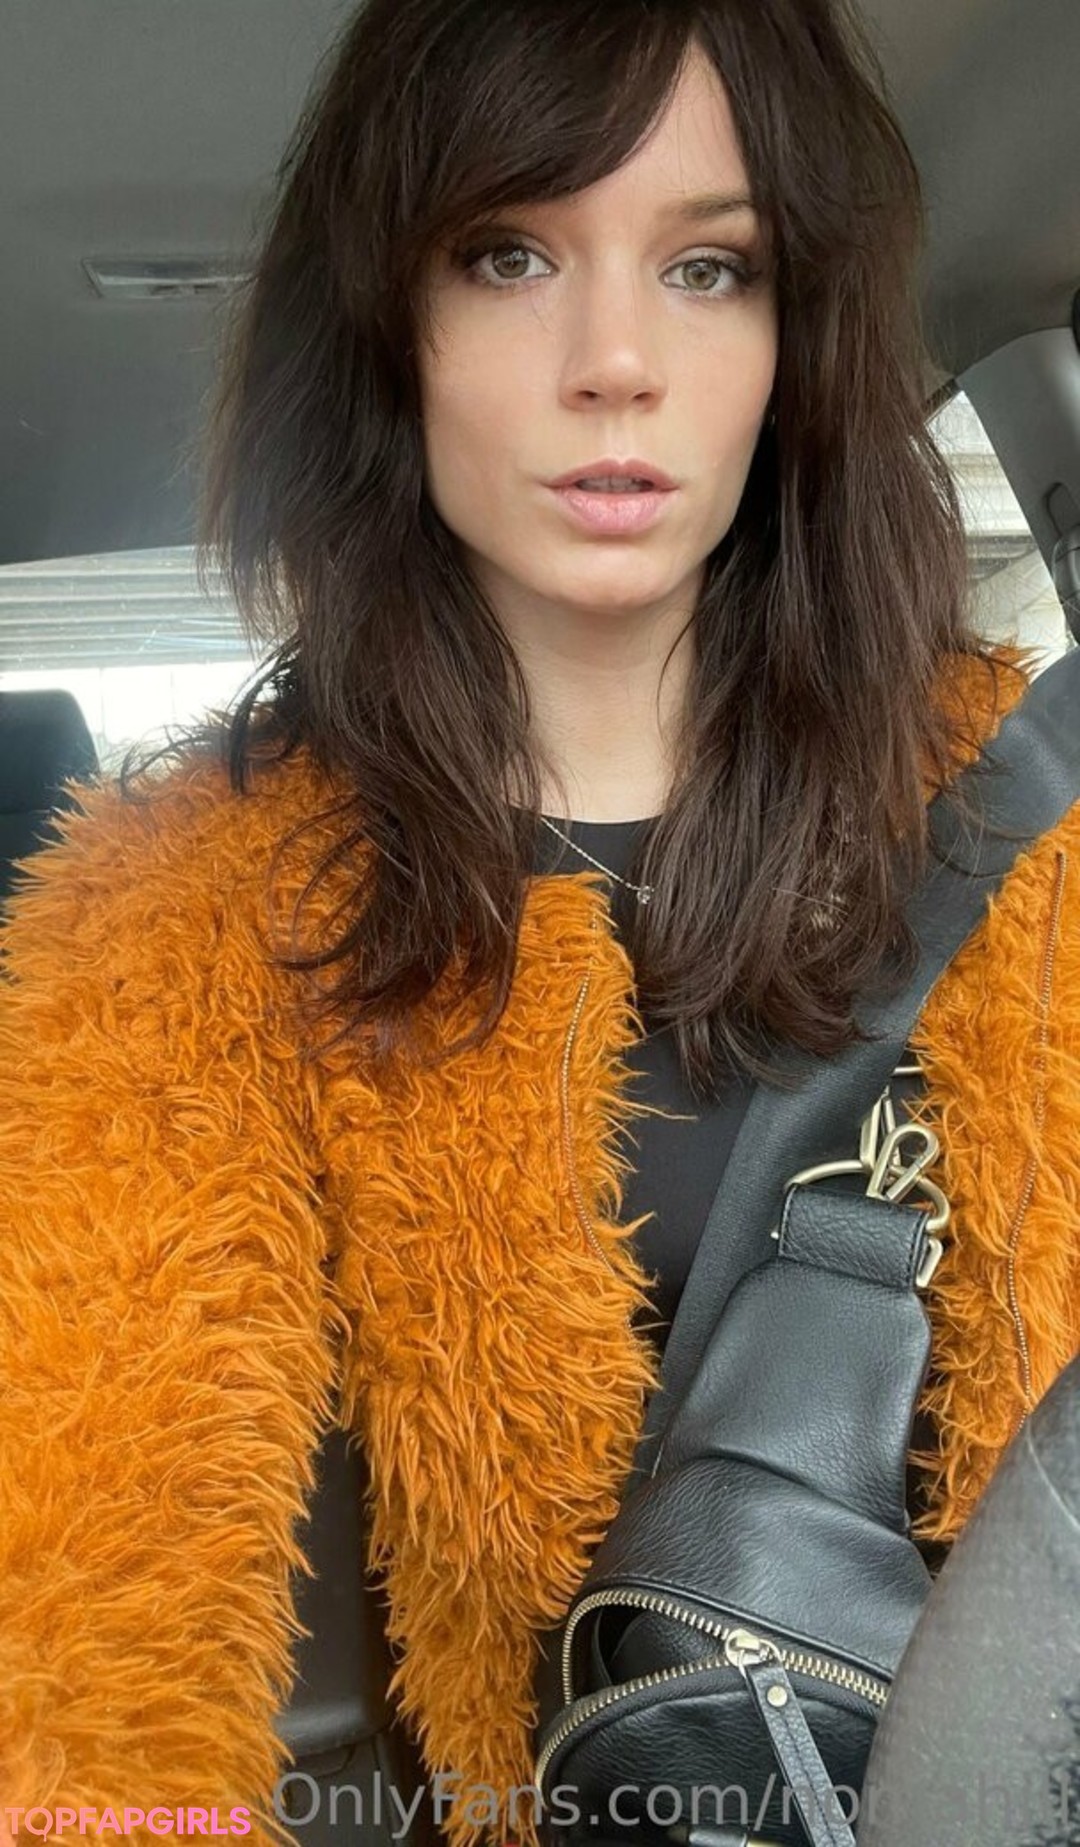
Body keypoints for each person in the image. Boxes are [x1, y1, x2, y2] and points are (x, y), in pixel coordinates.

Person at [1, 3, 1077, 1847]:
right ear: (389, 325)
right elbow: (86, 1637)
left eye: (709, 267)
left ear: (796, 339)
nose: (616, 364)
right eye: (510, 255)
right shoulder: (177, 920)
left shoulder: (1034, 831)